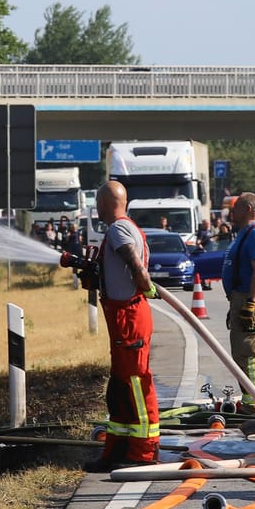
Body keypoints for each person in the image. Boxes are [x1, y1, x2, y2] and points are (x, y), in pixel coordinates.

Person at [93, 181, 161, 468]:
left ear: (106, 203)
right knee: (120, 388)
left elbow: (137, 268)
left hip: (129, 318)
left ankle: (143, 454)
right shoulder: (123, 227)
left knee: (135, 384)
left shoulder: (118, 229)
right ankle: (117, 452)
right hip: (124, 317)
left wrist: (145, 285)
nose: (96, 207)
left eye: (98, 201)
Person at [221, 192, 255, 396]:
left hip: (251, 299)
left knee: (250, 355)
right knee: (241, 355)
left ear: (249, 209)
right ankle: (251, 402)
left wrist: (251, 304)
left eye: (235, 209)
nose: (231, 214)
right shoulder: (246, 232)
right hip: (241, 298)